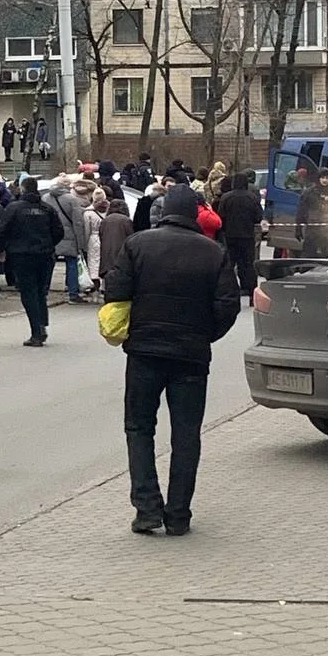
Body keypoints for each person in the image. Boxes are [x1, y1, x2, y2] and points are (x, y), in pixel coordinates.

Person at [104, 184, 240, 536]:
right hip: (192, 356)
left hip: (144, 352)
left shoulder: (137, 245)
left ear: (163, 212)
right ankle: (179, 514)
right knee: (186, 435)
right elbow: (228, 306)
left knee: (139, 428)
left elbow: (115, 293)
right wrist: (204, 334)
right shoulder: (213, 252)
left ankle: (147, 508)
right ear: (195, 214)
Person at [0, 176, 64, 346]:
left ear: (22, 189)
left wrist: (0, 249)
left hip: (21, 255)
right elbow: (59, 231)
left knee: (29, 292)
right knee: (41, 291)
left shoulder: (14, 208)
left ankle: (37, 330)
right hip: (44, 254)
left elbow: (3, 230)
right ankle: (42, 324)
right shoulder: (47, 209)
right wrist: (48, 244)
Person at [218, 173, 264, 301]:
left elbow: (221, 216)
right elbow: (258, 217)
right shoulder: (252, 198)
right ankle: (252, 293)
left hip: (230, 236)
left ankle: (229, 291)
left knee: (229, 265)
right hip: (247, 236)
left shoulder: (226, 198)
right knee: (248, 265)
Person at [44, 174, 88, 303]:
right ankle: (73, 293)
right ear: (67, 186)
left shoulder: (45, 198)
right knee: (72, 264)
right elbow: (78, 222)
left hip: (51, 236)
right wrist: (81, 243)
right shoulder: (72, 200)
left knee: (48, 265)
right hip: (69, 236)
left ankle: (44, 291)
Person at [296, 168, 328, 259]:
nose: (325, 180)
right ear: (318, 178)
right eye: (322, 178)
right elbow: (301, 210)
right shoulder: (309, 193)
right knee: (309, 253)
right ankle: (306, 267)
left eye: (327, 178)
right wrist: (298, 228)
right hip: (313, 229)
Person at [99, 199, 133, 288]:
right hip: (121, 251)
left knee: (108, 273)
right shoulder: (126, 220)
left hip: (106, 251)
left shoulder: (105, 220)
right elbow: (131, 237)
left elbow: (101, 235)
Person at [83, 189, 108, 293]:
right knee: (105, 260)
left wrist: (84, 244)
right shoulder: (108, 210)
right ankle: (104, 285)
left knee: (93, 261)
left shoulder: (88, 212)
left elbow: (87, 229)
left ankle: (94, 282)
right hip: (106, 238)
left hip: (93, 238)